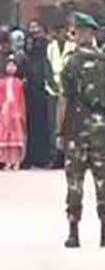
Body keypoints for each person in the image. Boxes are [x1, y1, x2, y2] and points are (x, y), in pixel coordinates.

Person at [57, 13, 105, 248]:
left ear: (83, 33)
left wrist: (59, 131)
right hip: (101, 131)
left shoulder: (71, 63)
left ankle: (73, 233)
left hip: (76, 130)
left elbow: (63, 100)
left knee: (74, 181)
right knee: (102, 181)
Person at [22, 20, 53, 168]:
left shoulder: (47, 46)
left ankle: (43, 157)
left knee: (43, 124)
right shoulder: (27, 48)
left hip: (43, 90)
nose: (34, 31)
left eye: (37, 28)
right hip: (29, 91)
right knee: (30, 125)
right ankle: (30, 156)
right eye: (31, 27)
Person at [46, 21, 77, 169]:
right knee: (53, 124)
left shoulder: (72, 46)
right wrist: (53, 85)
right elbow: (47, 67)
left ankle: (68, 156)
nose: (62, 34)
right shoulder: (51, 47)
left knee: (69, 123)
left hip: (69, 90)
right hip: (53, 90)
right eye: (59, 32)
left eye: (64, 31)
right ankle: (55, 156)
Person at [0, 58, 25, 170]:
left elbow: (21, 99)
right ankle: (7, 161)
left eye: (13, 65)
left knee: (16, 136)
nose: (11, 68)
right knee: (5, 136)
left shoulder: (19, 83)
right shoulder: (2, 83)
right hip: (5, 111)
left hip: (15, 111)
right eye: (9, 65)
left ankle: (16, 161)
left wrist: (20, 111)